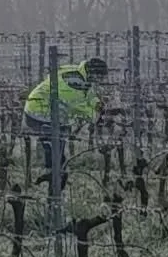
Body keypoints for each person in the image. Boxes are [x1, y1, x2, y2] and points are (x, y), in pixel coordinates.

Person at [22, 56, 107, 186]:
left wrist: (96, 104)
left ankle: (56, 173)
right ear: (93, 73)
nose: (100, 81)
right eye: (99, 77)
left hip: (46, 109)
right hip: (37, 111)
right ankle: (53, 175)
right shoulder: (73, 83)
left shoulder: (79, 74)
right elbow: (79, 107)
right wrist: (98, 116)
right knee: (56, 139)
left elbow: (88, 93)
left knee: (59, 137)